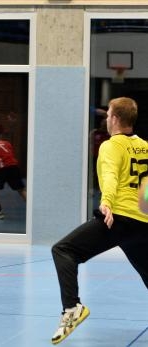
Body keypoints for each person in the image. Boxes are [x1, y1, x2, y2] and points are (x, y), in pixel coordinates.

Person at [50, 97, 148, 344]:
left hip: (119, 217)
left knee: (63, 250)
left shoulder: (110, 145)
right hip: (143, 221)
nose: (106, 119)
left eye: (108, 116)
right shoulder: (146, 146)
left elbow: (111, 175)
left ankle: (72, 308)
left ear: (114, 118)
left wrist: (106, 201)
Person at [0, 130, 26, 219]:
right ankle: (32, 209)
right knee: (21, 190)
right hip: (14, 166)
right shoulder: (7, 143)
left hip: (3, 169)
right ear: (0, 136)